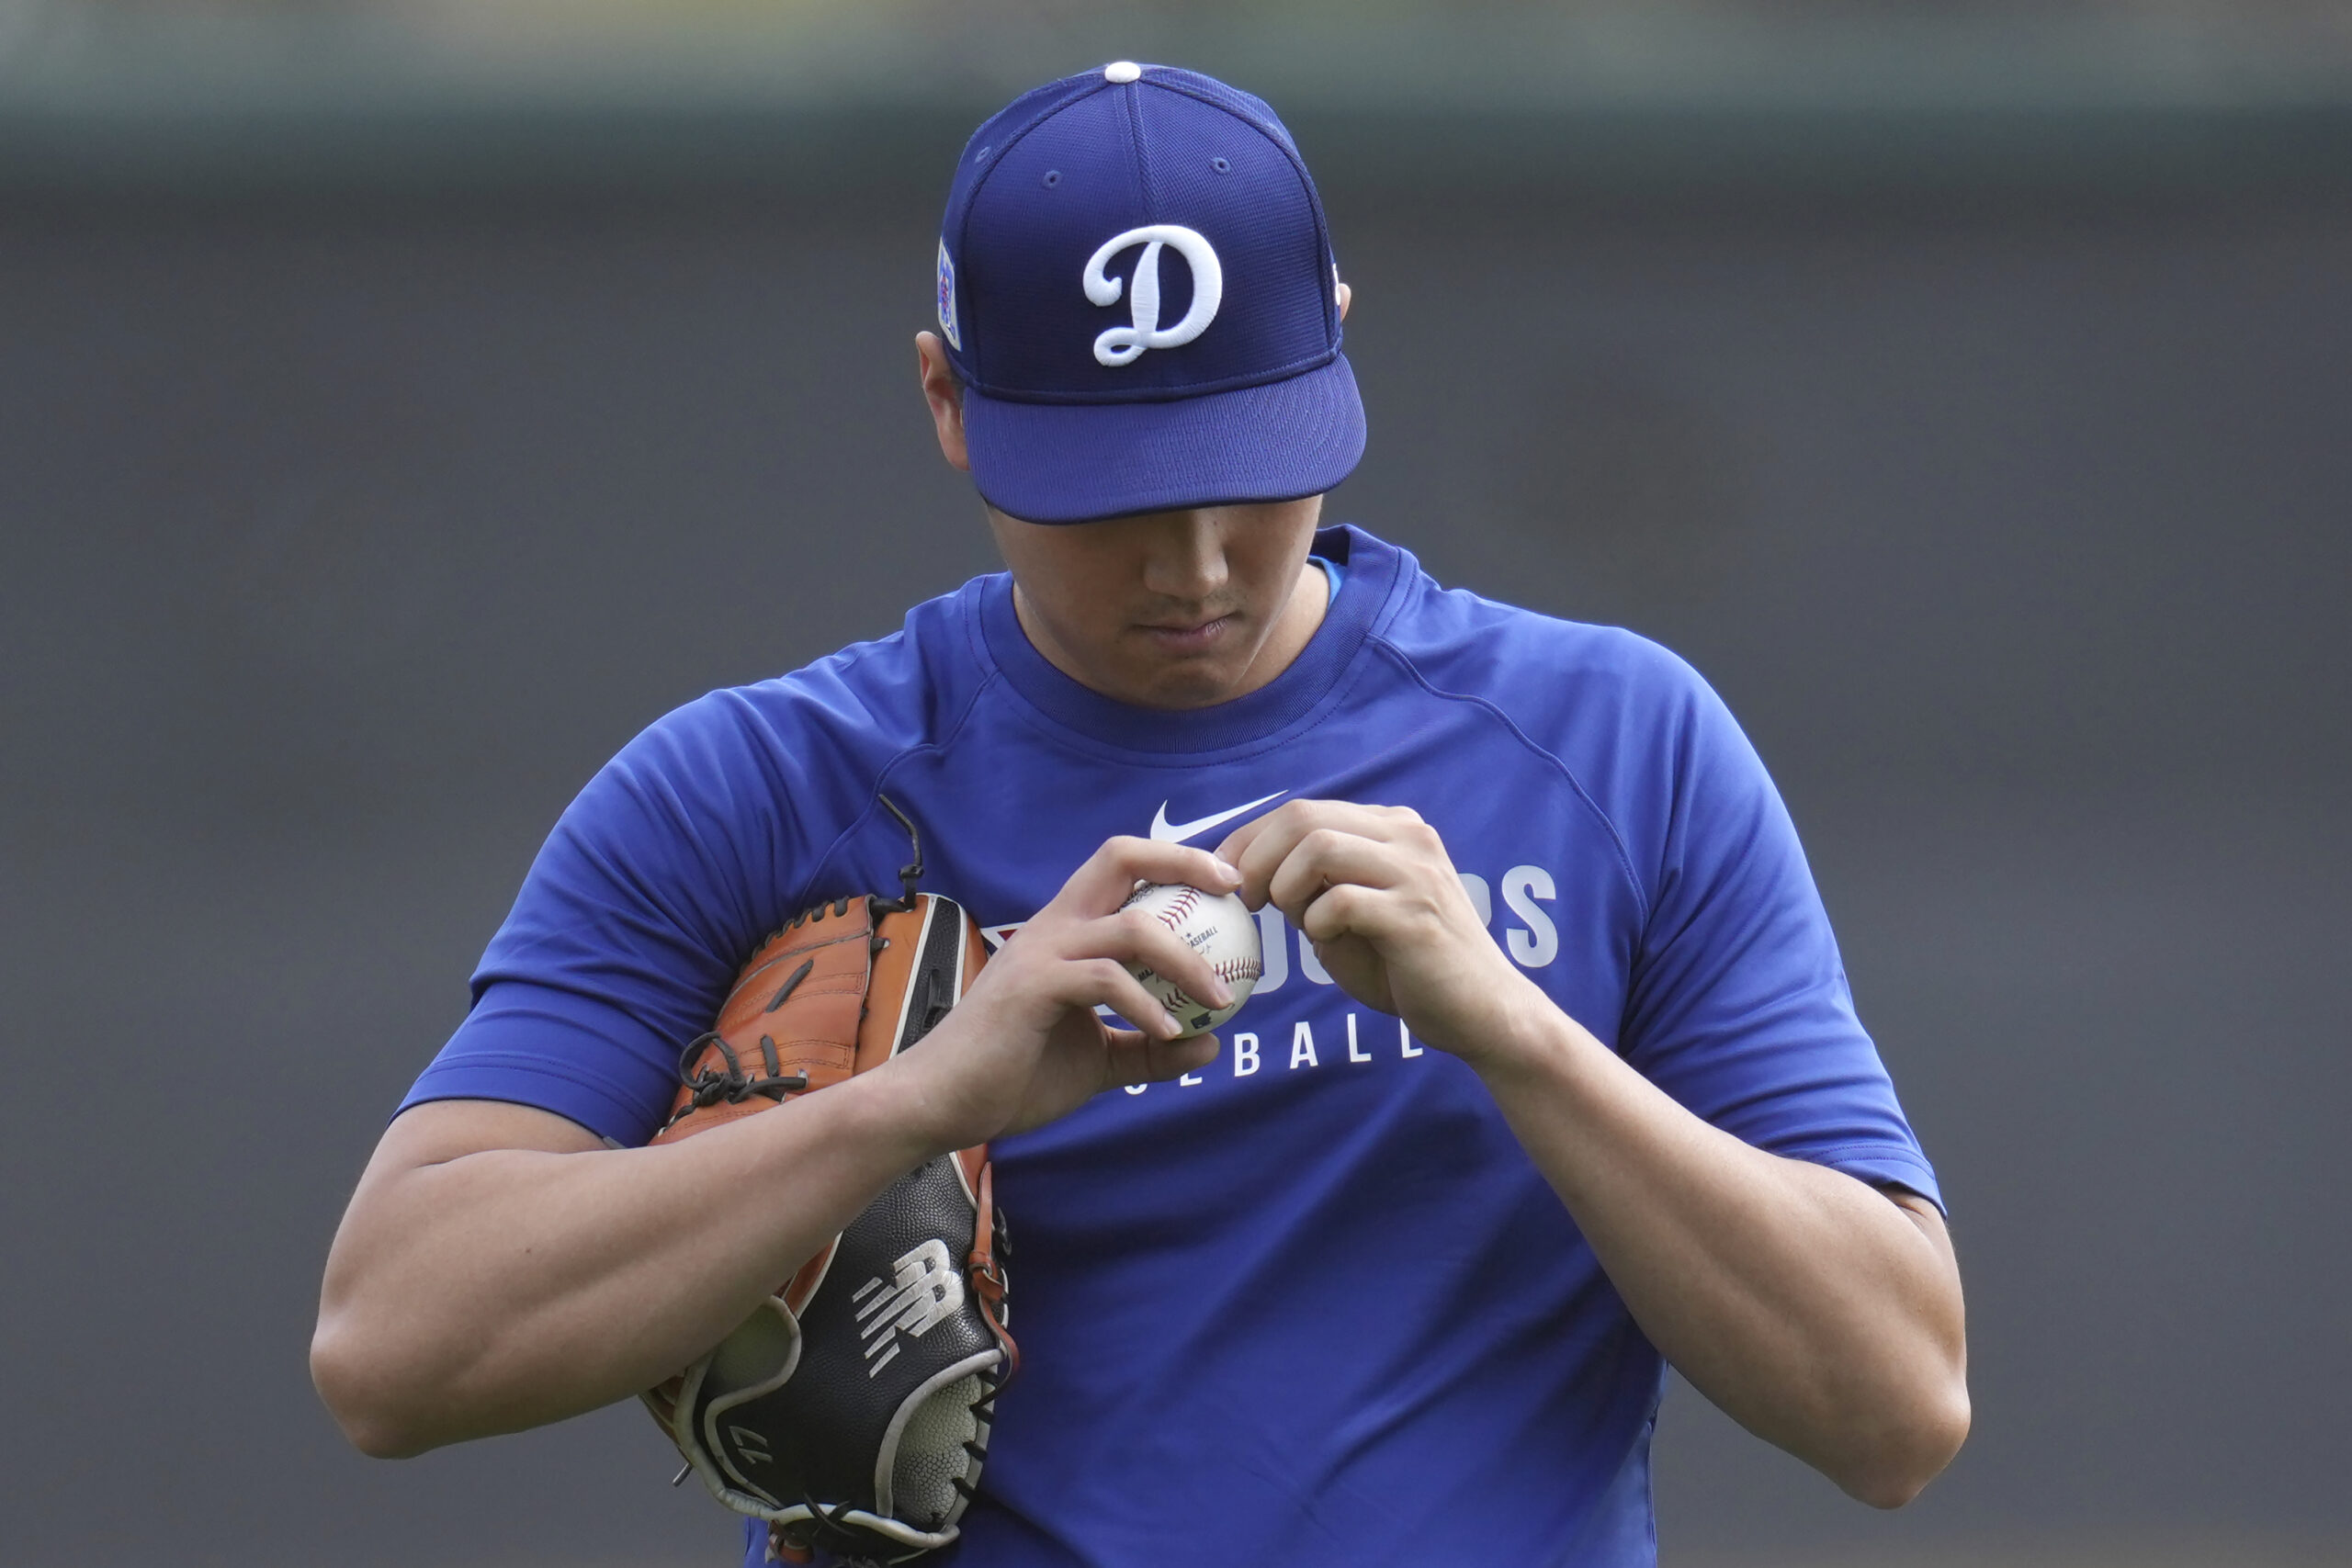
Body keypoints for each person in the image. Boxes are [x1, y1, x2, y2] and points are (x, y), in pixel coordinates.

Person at [311, 62, 1967, 1567]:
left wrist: (1520, 1037)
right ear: (947, 401)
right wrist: (912, 1104)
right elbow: (393, 1346)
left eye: (1250, 464)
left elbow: (1895, 1407)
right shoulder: (754, 789)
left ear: (1337, 329)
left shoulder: (1617, 746)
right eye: (1107, 492)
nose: (1192, 565)